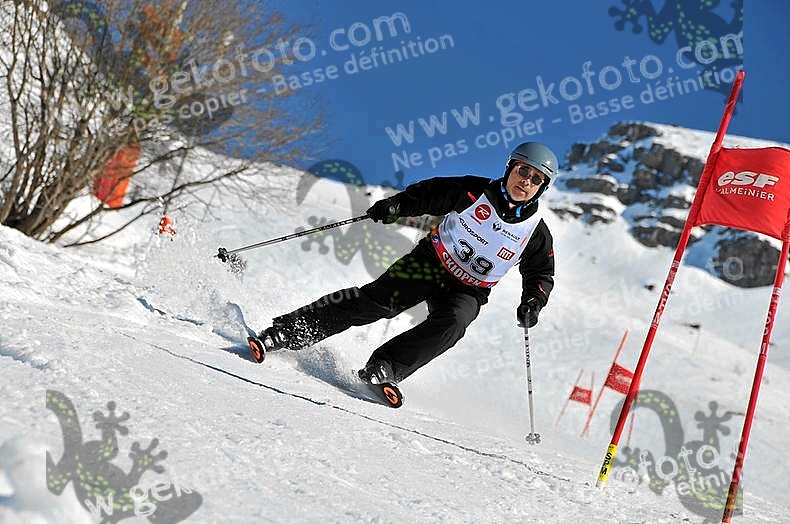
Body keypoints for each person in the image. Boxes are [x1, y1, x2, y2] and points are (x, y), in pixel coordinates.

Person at [254, 142, 557, 386]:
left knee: (453, 324)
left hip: (469, 289)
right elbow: (430, 194)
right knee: (377, 303)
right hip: (431, 263)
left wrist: (533, 301)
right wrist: (397, 205)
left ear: (541, 188)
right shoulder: (473, 192)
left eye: (536, 179)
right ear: (510, 168)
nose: (526, 181)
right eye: (523, 170)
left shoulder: (535, 232)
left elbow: (541, 273)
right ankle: (289, 331)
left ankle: (386, 366)